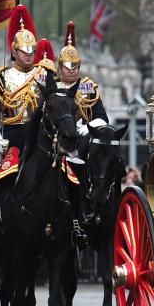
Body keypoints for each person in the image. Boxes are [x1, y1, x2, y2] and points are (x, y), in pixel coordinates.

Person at [0, 5, 57, 249]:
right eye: (24, 51)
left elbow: (56, 107)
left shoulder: (45, 75)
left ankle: (73, 221)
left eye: (32, 50)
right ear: (14, 51)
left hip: (40, 137)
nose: (30, 55)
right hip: (11, 138)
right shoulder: (0, 78)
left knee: (68, 169)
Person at [54, 20, 109, 248]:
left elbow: (102, 117)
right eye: (68, 66)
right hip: (58, 144)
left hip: (82, 142)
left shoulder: (88, 86)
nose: (72, 70)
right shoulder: (53, 87)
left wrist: (87, 127)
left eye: (75, 66)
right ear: (59, 67)